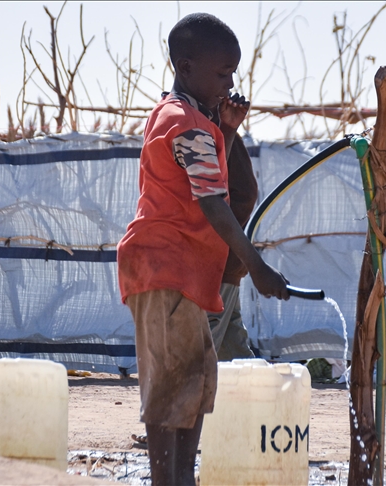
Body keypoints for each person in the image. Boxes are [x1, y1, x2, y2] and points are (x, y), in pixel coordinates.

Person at [116, 13, 289, 486]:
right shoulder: (183, 122)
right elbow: (214, 203)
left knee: (195, 379)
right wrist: (256, 267)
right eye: (221, 73)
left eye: (232, 73)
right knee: (172, 382)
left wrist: (227, 131)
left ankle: (181, 478)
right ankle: (165, 479)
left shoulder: (193, 121)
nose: (229, 83)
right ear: (186, 66)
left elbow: (206, 179)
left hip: (180, 269)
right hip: (163, 264)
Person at [208, 134, 258, 362]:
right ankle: (255, 397)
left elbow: (245, 193)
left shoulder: (211, 126)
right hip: (216, 264)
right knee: (230, 352)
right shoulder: (202, 125)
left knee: (206, 355)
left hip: (217, 265)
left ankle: (255, 396)